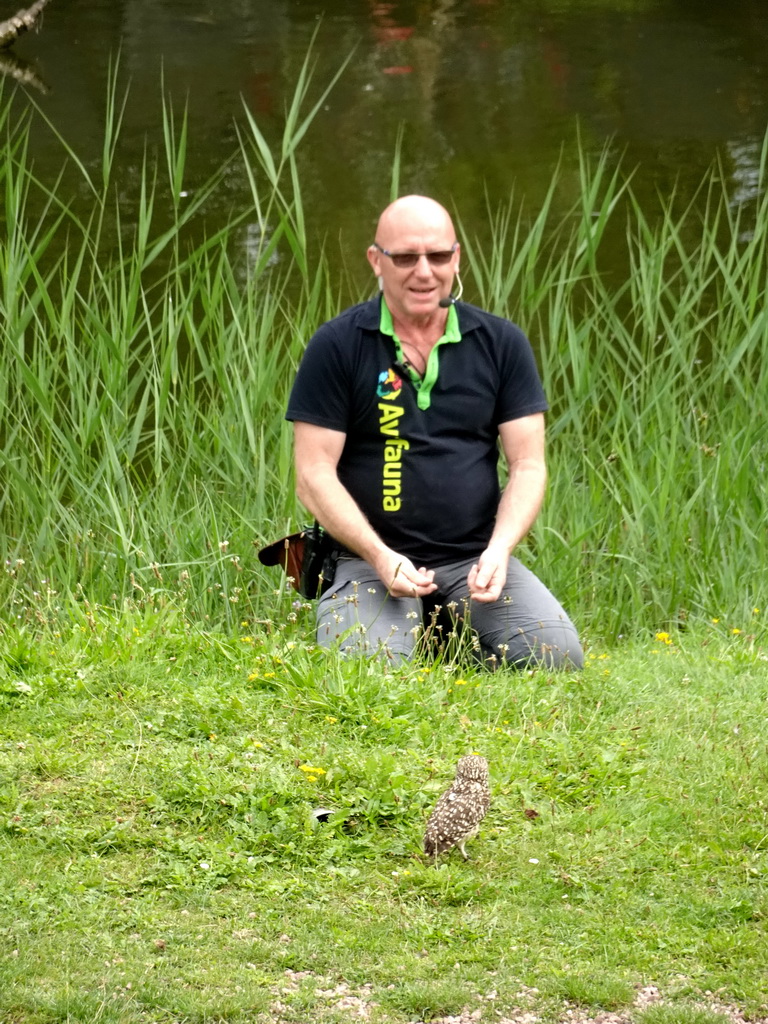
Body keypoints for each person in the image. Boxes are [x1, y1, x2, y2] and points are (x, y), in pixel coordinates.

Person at [285, 195, 582, 670]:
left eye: (438, 256)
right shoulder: (337, 345)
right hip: (370, 563)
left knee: (558, 658)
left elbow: (528, 464)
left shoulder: (501, 343)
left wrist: (500, 549)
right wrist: (381, 556)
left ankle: (441, 635)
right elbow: (312, 473)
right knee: (369, 674)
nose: (424, 271)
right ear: (376, 261)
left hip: (472, 559)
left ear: (456, 258)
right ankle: (411, 634)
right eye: (405, 257)